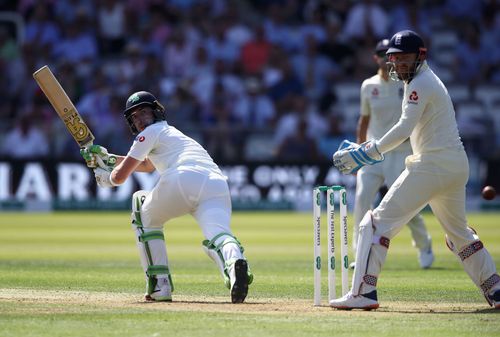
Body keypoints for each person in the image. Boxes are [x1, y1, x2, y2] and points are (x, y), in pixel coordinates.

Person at [330, 30, 500, 310]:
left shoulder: (420, 83)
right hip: (455, 165)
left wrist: (367, 152)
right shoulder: (424, 80)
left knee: (375, 223)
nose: (397, 65)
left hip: (431, 165)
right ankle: (495, 287)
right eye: (394, 60)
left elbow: (403, 129)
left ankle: (363, 292)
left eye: (403, 59)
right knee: (459, 236)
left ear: (420, 56)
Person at [80, 91, 253, 303]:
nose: (140, 118)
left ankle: (159, 286)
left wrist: (104, 178)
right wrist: (107, 159)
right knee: (219, 235)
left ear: (155, 112)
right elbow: (145, 165)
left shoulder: (148, 134)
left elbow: (120, 177)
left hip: (182, 179)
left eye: (143, 112)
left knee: (141, 207)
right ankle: (235, 264)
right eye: (135, 116)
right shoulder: (172, 134)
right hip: (216, 184)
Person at [352, 38, 433, 269]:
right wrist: (359, 154)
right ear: (376, 58)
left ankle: (424, 245)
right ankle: (360, 253)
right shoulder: (368, 86)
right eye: (380, 54)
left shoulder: (405, 82)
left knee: (406, 206)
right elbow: (363, 121)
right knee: (361, 200)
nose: (385, 58)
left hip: (400, 152)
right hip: (372, 153)